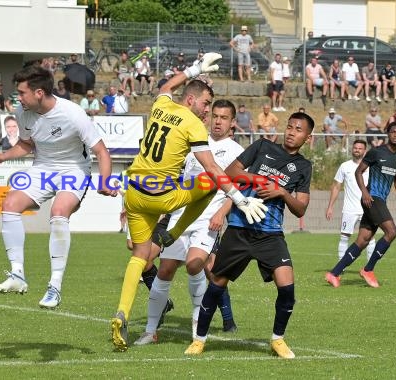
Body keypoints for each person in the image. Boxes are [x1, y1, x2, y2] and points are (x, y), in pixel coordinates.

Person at [110, 52, 268, 352]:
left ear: (232, 123)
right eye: (207, 106)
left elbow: (165, 88)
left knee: (164, 260)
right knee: (207, 187)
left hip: (139, 192)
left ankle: (129, 314)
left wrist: (193, 69)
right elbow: (212, 170)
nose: (209, 114)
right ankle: (153, 328)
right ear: (193, 101)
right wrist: (238, 199)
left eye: (218, 113)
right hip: (172, 203)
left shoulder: (161, 105)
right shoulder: (194, 127)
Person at [184, 112, 315, 359]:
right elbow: (230, 172)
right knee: (217, 286)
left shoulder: (303, 167)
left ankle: (278, 340)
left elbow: (301, 209)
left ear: (307, 137)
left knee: (287, 289)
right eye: (289, 127)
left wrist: (282, 193)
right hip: (239, 228)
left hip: (271, 235)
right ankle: (199, 340)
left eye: (298, 130)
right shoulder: (262, 146)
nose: (291, 132)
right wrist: (257, 179)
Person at [0, 65, 117, 309]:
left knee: (58, 212)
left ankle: (54, 285)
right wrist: (3, 156)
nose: (18, 98)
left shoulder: (72, 113)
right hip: (42, 167)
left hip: (74, 169)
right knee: (10, 205)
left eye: (22, 93)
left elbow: (101, 151)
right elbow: (26, 145)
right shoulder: (22, 112)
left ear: (38, 93)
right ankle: (17, 275)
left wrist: (106, 181)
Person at [133, 99, 244, 347]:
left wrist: (223, 212)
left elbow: (238, 187)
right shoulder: (196, 139)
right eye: (215, 115)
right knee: (165, 270)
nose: (217, 121)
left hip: (208, 220)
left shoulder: (236, 151)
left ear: (232, 122)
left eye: (224, 117)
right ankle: (151, 331)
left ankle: (198, 331)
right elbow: (178, 176)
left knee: (195, 265)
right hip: (180, 217)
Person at [325, 122, 396, 288]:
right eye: (393, 131)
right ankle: (368, 269)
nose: (395, 134)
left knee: (363, 240)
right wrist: (365, 192)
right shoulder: (377, 152)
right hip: (372, 199)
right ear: (387, 133)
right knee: (392, 232)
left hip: (379, 201)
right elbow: (359, 171)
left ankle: (333, 273)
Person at [326, 140, 375, 262]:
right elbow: (337, 186)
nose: (357, 150)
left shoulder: (371, 167)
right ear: (352, 149)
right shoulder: (345, 166)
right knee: (344, 237)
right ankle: (340, 267)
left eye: (360, 148)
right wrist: (330, 206)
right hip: (350, 209)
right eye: (355, 148)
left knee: (370, 238)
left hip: (367, 208)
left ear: (365, 151)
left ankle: (369, 267)